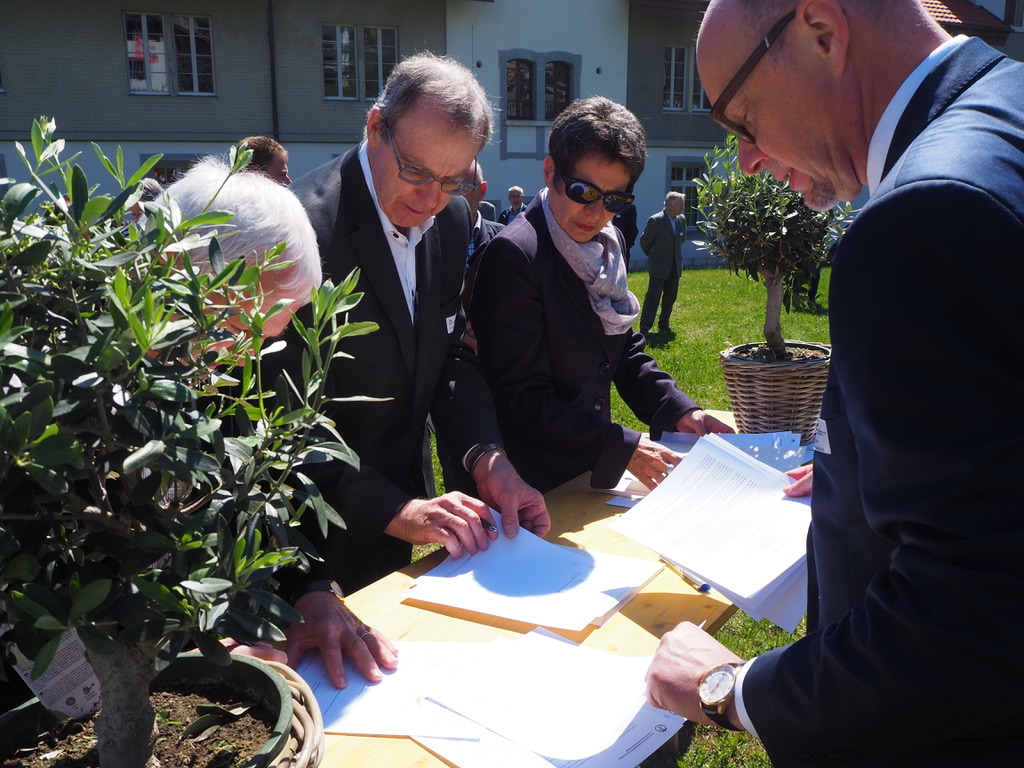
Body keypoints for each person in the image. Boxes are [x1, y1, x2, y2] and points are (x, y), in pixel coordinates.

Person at [645, 1, 1024, 765]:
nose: (747, 159)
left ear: (822, 30)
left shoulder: (920, 218)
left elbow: (968, 611)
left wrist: (729, 688)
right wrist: (859, 472)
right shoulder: (1005, 104)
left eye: (742, 117)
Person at [258, 52, 549, 688]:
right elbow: (271, 427)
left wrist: (486, 459)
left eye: (454, 179)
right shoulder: (300, 232)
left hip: (393, 523)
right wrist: (396, 510)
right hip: (291, 548)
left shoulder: (452, 220)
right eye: (417, 172)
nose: (430, 199)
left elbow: (446, 356)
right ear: (374, 128)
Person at [470, 97, 732, 495]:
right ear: (550, 171)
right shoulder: (517, 255)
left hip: (586, 472)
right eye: (582, 191)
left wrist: (679, 409)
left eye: (614, 200)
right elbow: (521, 397)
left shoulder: (609, 244)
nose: (595, 213)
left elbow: (622, 348)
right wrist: (619, 446)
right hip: (529, 480)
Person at [638, 191, 686, 334]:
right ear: (670, 205)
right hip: (659, 266)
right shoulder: (656, 220)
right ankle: (645, 327)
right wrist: (654, 256)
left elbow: (681, 239)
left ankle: (664, 324)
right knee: (653, 297)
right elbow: (644, 242)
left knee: (670, 297)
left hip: (675, 266)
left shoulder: (681, 219)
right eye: (680, 204)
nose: (682, 207)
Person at [612, 202, 638, 269]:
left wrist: (626, 247)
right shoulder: (605, 204)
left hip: (622, 247)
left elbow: (633, 230)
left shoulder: (628, 207)